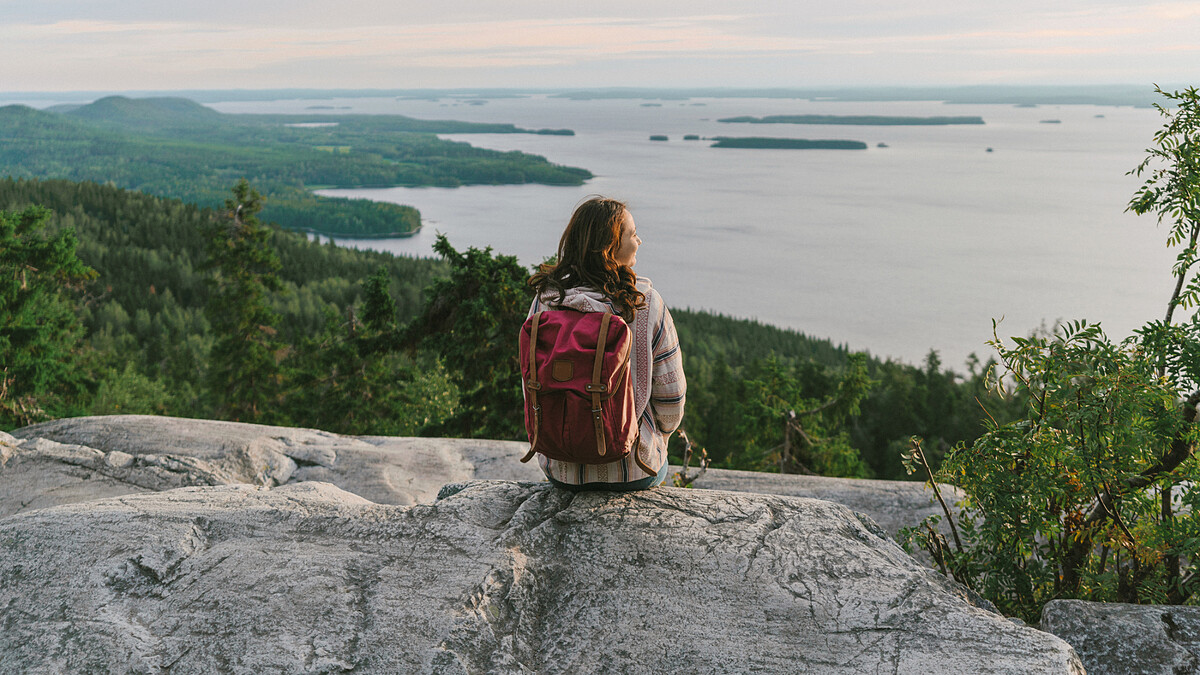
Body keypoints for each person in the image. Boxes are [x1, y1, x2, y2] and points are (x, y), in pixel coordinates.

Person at [527, 196, 686, 491]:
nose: (640, 240)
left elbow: (532, 384)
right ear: (610, 248)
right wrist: (657, 438)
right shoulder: (646, 304)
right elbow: (671, 404)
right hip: (634, 471)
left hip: (560, 471)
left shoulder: (545, 300)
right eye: (633, 234)